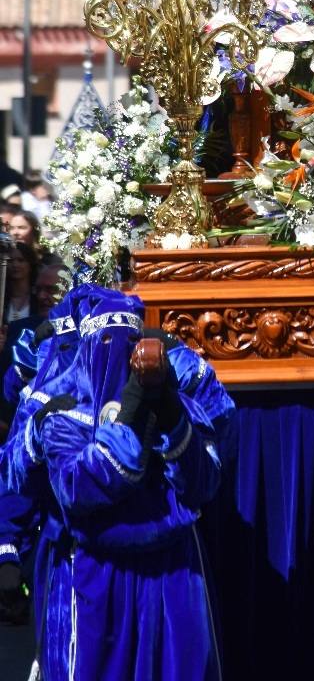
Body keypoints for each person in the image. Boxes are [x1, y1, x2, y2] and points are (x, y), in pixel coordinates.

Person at [26, 287, 223, 680]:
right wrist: (131, 417)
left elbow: (203, 485)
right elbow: (79, 489)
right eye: (106, 342)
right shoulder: (64, 412)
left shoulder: (180, 405)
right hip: (96, 576)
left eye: (131, 341)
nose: (121, 354)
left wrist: (169, 416)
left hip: (171, 575)